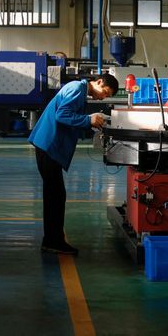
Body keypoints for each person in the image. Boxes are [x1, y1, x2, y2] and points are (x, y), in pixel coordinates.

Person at [28, 74, 118, 255]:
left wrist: (89, 121)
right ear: (99, 82)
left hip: (48, 145)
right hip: (49, 145)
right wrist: (87, 120)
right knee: (55, 196)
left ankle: (52, 240)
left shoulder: (79, 90)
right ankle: (53, 241)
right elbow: (63, 114)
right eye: (105, 93)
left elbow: (69, 115)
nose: (103, 98)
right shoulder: (77, 88)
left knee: (55, 195)